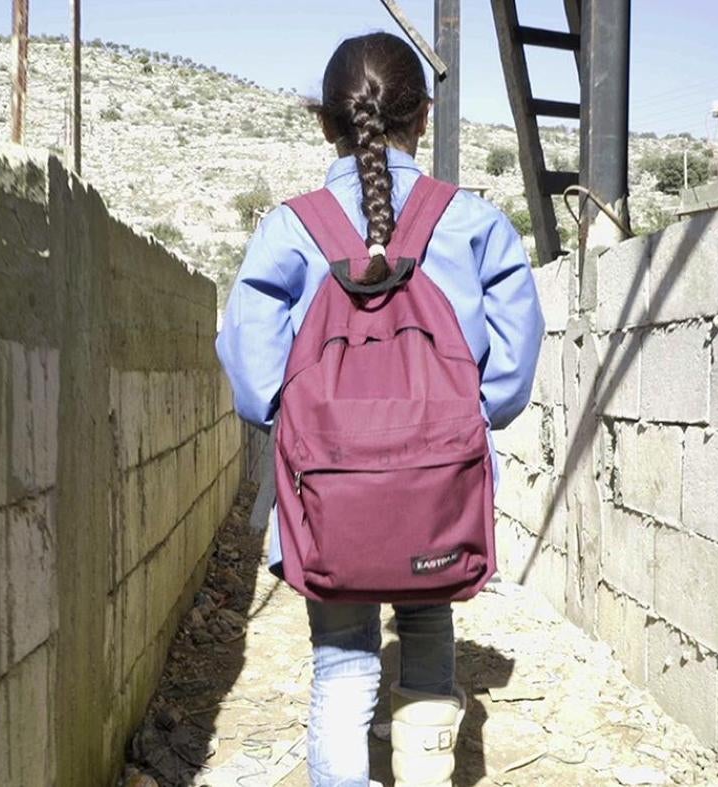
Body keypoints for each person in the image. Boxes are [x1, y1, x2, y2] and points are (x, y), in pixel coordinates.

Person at [215, 32, 544, 787]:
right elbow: (514, 368)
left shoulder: (289, 229)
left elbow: (253, 378)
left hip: (326, 496)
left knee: (340, 670)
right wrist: (457, 423)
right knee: (428, 630)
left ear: (326, 122)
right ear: (422, 118)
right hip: (440, 493)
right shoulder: (475, 222)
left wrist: (306, 423)